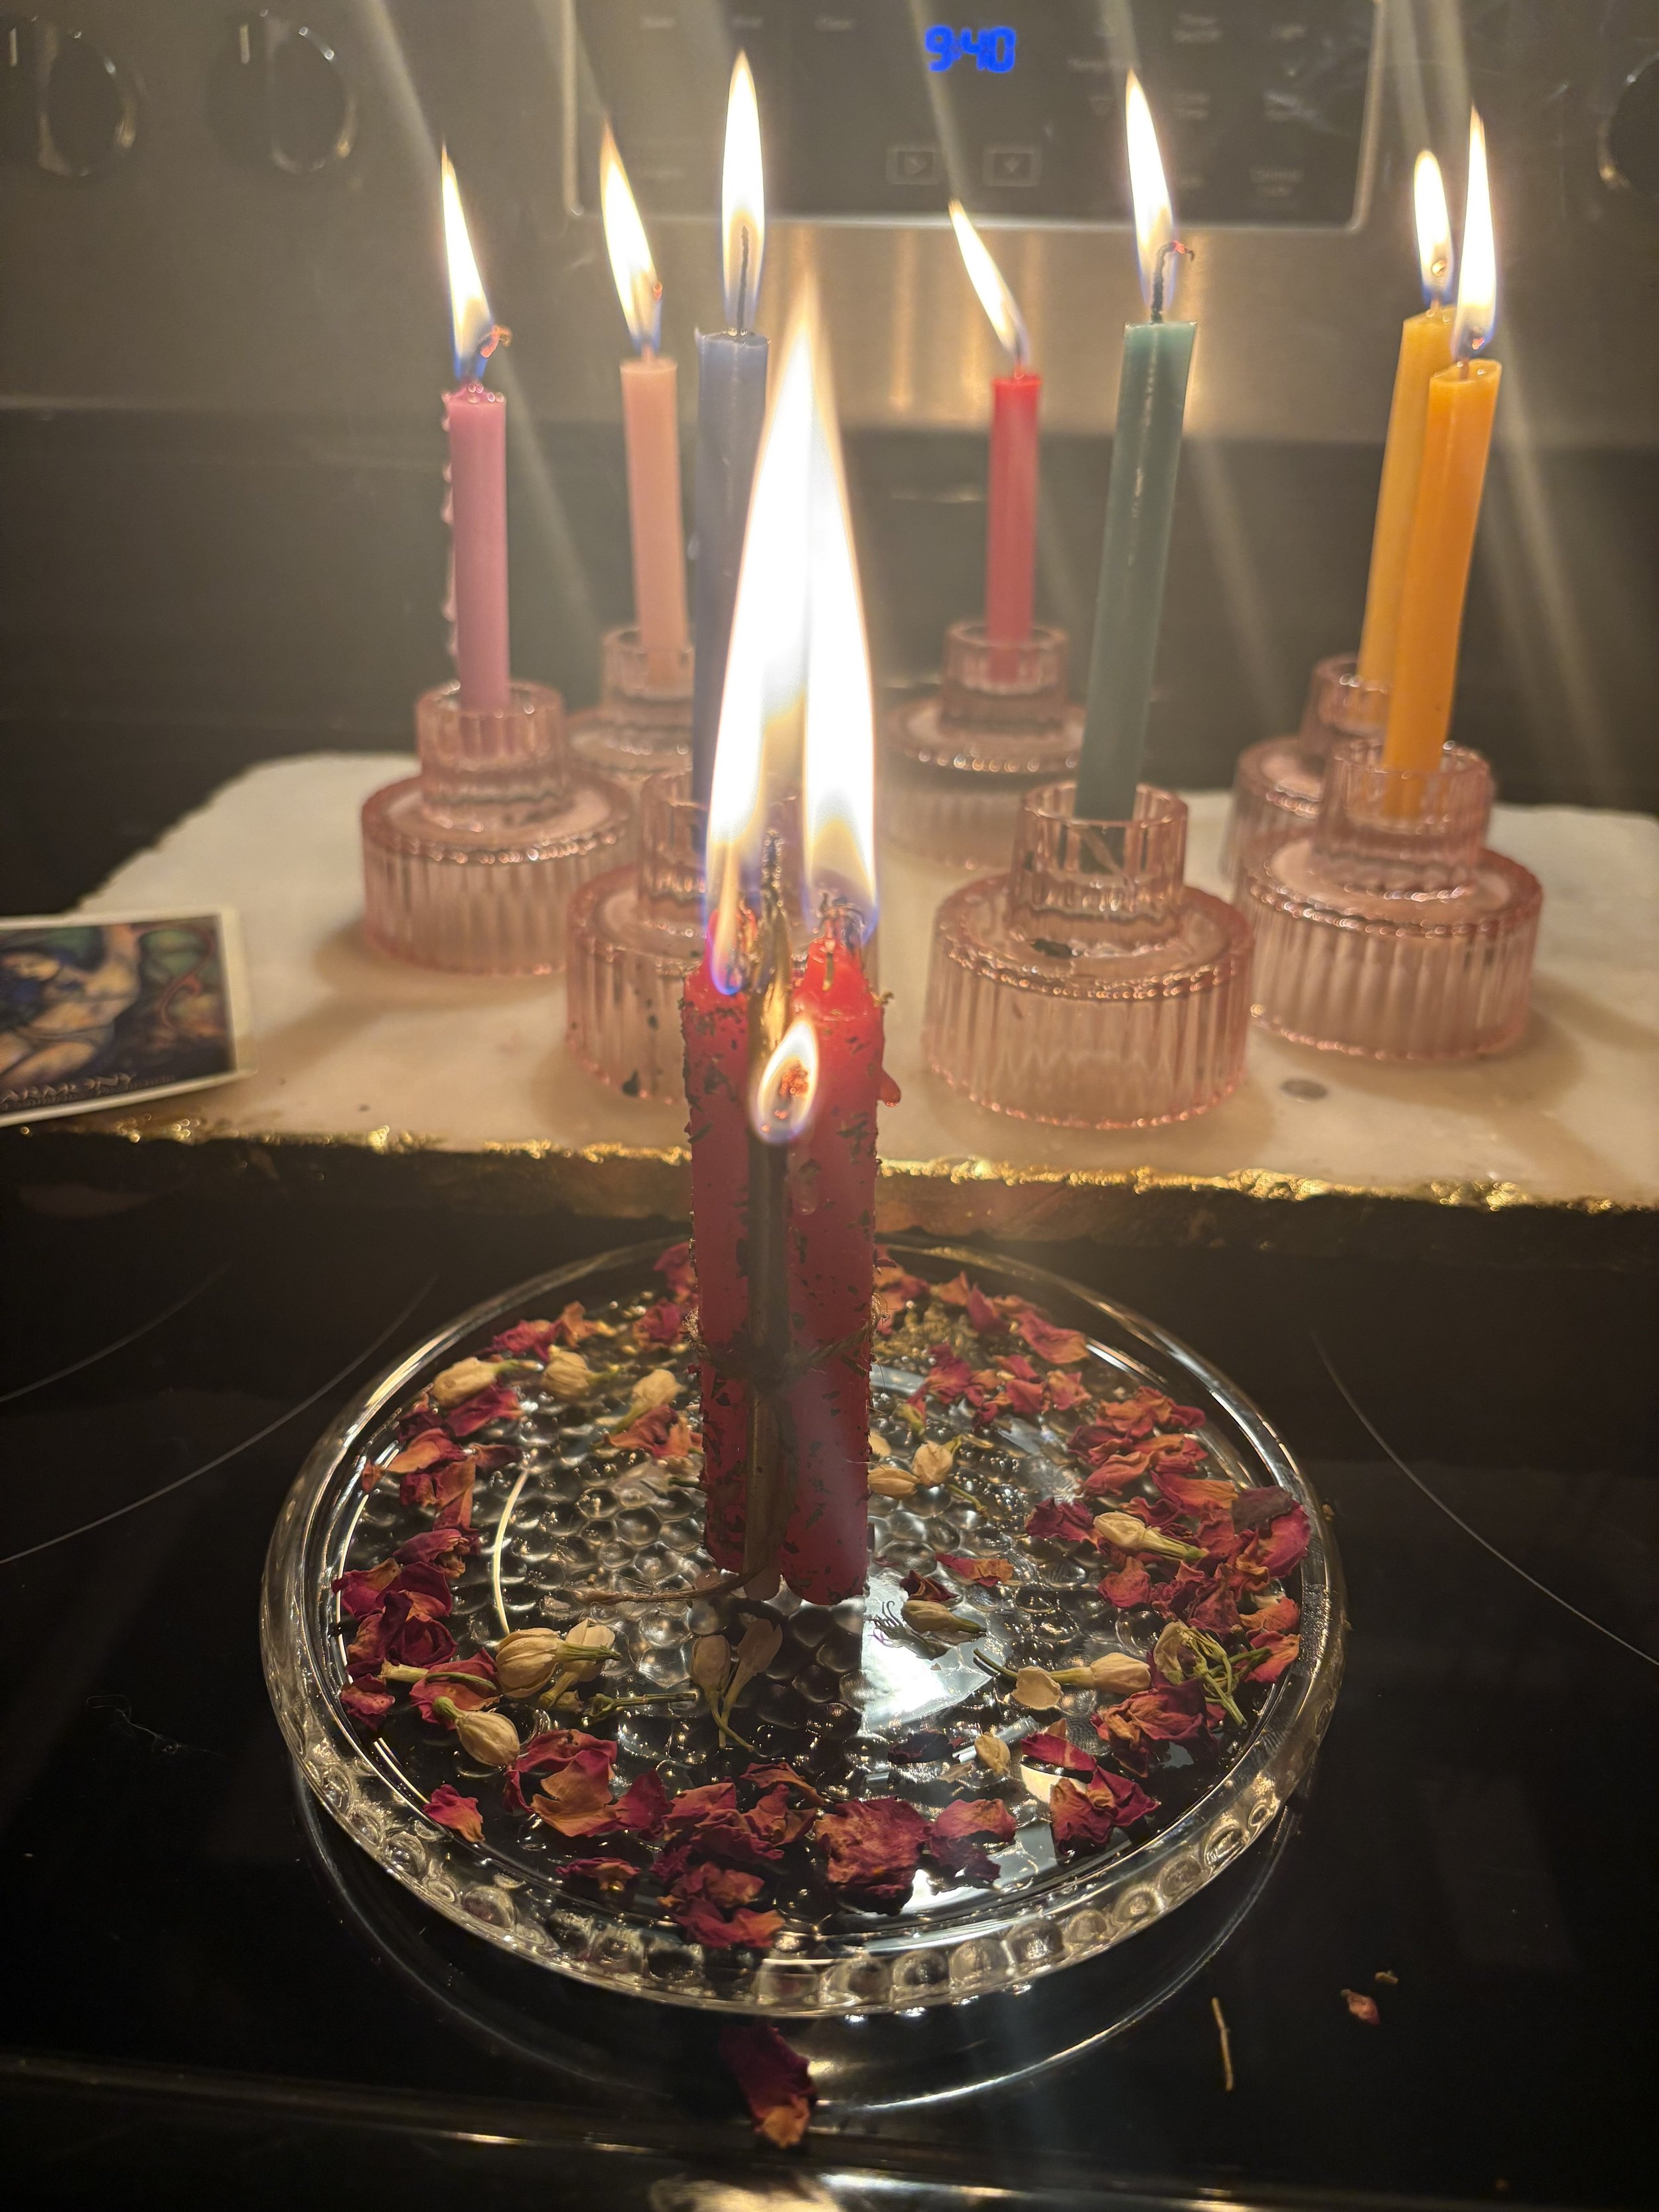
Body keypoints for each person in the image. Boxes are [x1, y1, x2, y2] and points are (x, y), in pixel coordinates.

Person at [0, 924, 143, 1094]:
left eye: (27, 965)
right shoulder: (41, 985)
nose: (24, 971)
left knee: (16, 1082)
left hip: (77, 1040)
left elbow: (98, 982)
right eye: (17, 969)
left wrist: (59, 968)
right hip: (29, 1033)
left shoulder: (115, 975)